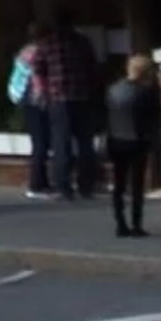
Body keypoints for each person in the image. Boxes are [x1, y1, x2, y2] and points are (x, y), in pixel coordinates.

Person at [105, 52, 161, 236]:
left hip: (116, 140)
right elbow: (155, 117)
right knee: (137, 186)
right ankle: (136, 224)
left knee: (119, 184)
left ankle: (120, 223)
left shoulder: (113, 90)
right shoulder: (146, 93)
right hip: (137, 141)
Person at [55, 19, 103, 199]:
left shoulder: (50, 44)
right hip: (82, 97)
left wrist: (46, 91)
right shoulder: (83, 42)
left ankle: (63, 186)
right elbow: (93, 67)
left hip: (59, 99)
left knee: (62, 143)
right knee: (85, 143)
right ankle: (86, 185)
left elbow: (37, 68)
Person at [10, 24, 57, 198]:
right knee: (40, 143)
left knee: (40, 142)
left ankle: (41, 182)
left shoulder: (26, 51)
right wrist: (44, 99)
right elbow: (37, 79)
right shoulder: (38, 53)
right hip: (35, 101)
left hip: (25, 100)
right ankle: (36, 185)